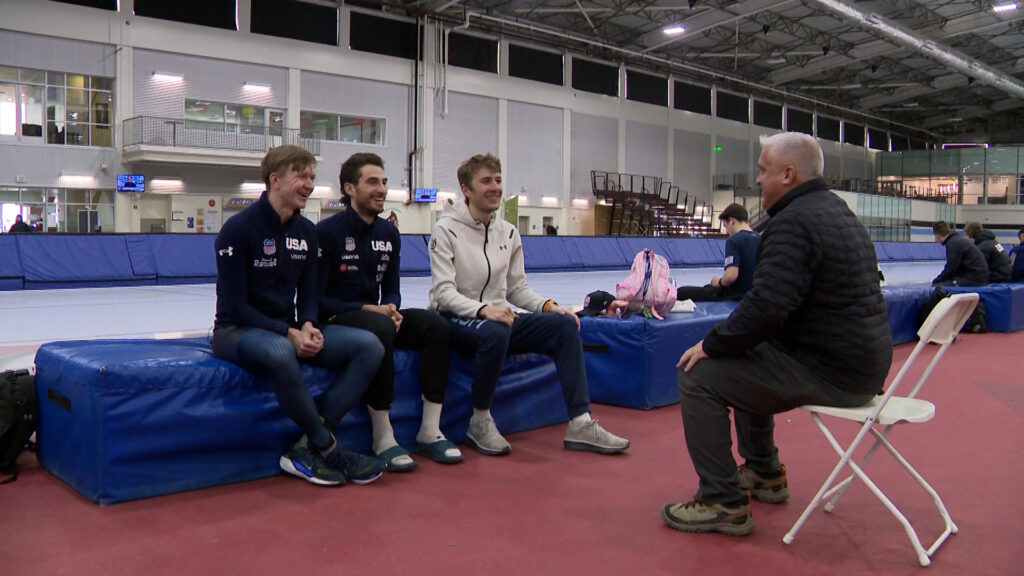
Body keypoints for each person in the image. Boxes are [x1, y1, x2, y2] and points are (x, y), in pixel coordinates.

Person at [662, 132, 892, 536]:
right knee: (750, 351)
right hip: (863, 366)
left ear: (788, 175)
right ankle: (764, 472)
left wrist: (711, 344)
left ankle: (722, 500)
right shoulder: (836, 212)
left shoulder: (793, 224)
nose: (757, 180)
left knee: (697, 373)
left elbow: (765, 309)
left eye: (763, 171)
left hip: (833, 372)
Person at [428, 153, 629, 456]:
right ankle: (480, 421)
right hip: (455, 319)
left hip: (498, 318)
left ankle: (580, 422)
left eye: (497, 180)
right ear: (466, 189)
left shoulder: (507, 232)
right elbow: (444, 293)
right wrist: (484, 310)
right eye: (486, 181)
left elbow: (517, 288)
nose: (495, 186)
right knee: (496, 329)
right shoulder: (445, 230)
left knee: (563, 326)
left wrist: (549, 306)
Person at [212, 145, 385, 487]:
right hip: (237, 330)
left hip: (287, 328)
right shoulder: (237, 230)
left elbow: (308, 295)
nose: (309, 184)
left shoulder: (306, 232)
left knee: (370, 346)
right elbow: (235, 305)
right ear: (275, 180)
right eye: (301, 176)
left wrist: (308, 325)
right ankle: (329, 446)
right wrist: (287, 333)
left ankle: (306, 445)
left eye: (312, 177)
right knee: (281, 351)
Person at [317, 152, 463, 473]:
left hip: (377, 314)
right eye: (372, 182)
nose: (381, 188)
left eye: (384, 182)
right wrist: (368, 310)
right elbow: (316, 299)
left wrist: (393, 306)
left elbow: (392, 287)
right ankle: (383, 435)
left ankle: (429, 429)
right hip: (337, 317)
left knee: (434, 325)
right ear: (350, 188)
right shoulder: (327, 233)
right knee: (380, 327)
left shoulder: (389, 234)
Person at [676, 203, 759, 302]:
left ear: (732, 221)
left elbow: (731, 276)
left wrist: (719, 282)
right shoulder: (761, 238)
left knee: (682, 292)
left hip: (736, 294)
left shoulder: (734, 240)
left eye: (725, 226)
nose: (726, 231)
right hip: (754, 293)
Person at [931, 221, 988, 287]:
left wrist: (936, 281)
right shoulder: (956, 240)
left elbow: (951, 269)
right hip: (977, 276)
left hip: (974, 279)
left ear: (937, 235)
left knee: (938, 287)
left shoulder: (953, 243)